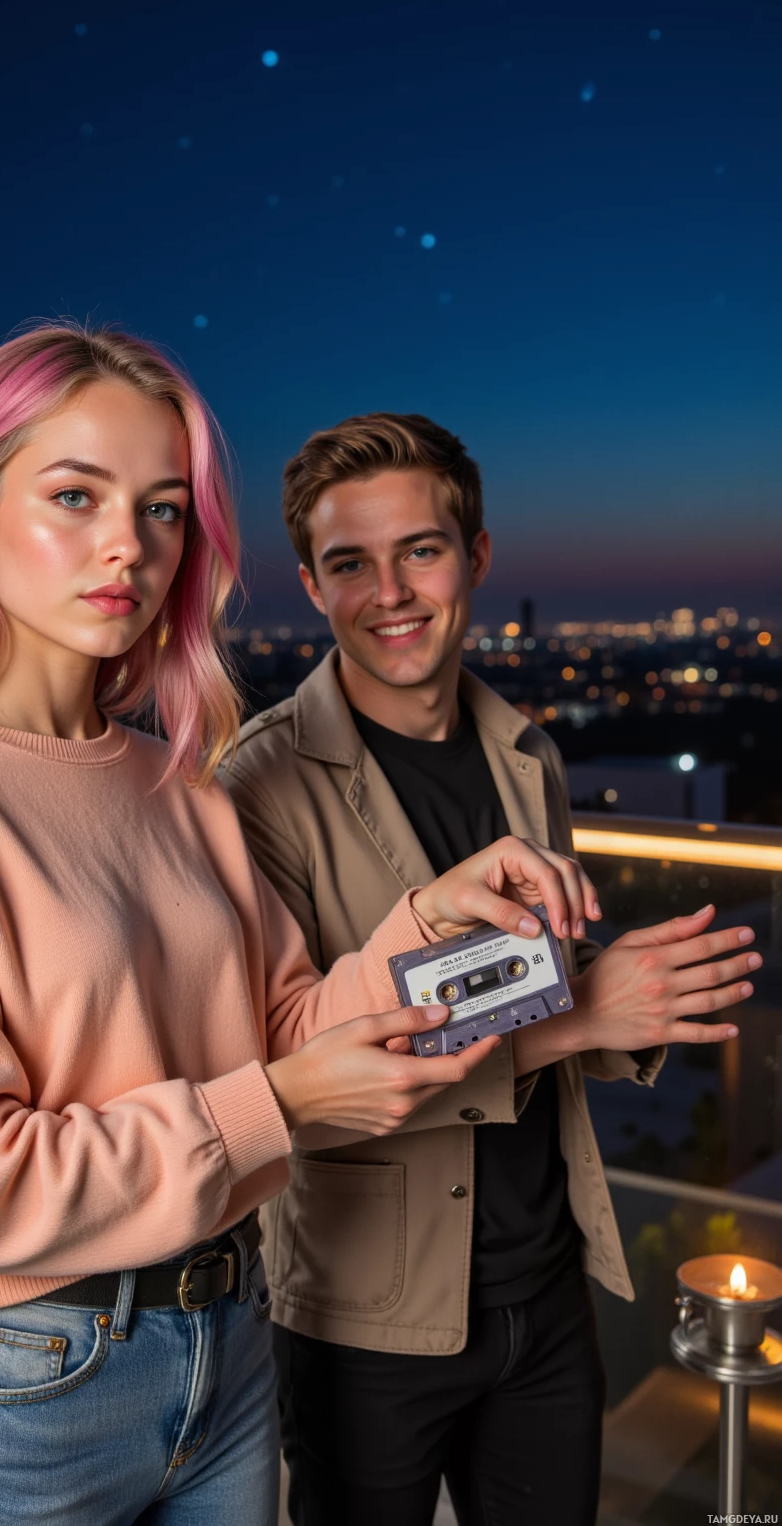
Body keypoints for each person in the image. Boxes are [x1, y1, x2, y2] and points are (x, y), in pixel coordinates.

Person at [0, 333, 599, 1526]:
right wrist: (273, 1105)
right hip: (31, 1376)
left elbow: (283, 1020)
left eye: (163, 510)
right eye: (73, 496)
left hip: (225, 1342)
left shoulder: (175, 778)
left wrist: (420, 920)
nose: (129, 545)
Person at [222, 412, 760, 1526]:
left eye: (419, 549)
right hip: (366, 1317)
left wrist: (633, 996)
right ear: (313, 590)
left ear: (475, 558)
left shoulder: (528, 753)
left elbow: (534, 982)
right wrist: (576, 1020)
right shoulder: (257, 787)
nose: (391, 591)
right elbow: (294, 1077)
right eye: (348, 564)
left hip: (548, 1289)